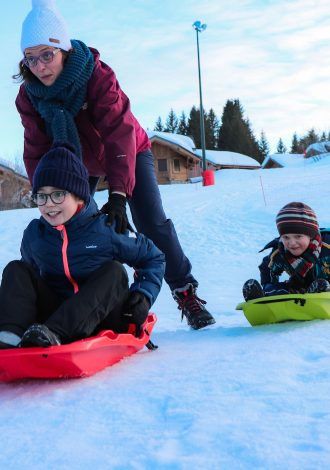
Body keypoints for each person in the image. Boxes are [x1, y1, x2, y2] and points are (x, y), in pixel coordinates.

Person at [13, 0, 215, 330]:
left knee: (150, 222)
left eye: (46, 55)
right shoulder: (29, 97)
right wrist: (45, 194)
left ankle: (185, 291)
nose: (39, 66)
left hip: (128, 151)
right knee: (77, 229)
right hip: (75, 165)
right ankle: (81, 304)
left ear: (63, 49)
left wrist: (119, 195)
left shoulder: (96, 75)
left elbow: (118, 132)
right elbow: (36, 150)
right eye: (30, 58)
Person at [0, 143, 165, 349]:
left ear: (78, 196)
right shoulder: (36, 234)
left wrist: (143, 295)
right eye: (41, 196)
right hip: (53, 319)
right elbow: (27, 287)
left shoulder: (106, 228)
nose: (48, 204)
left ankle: (54, 335)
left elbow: (153, 258)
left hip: (104, 317)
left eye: (58, 194)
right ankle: (9, 338)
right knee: (17, 269)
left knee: (115, 272)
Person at [242, 202, 330, 302]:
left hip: (326, 290)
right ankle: (262, 298)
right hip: (298, 289)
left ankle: (320, 293)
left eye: (298, 236)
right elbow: (267, 268)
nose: (292, 243)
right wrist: (268, 287)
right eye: (286, 237)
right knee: (279, 289)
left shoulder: (327, 246)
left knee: (323, 285)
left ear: (311, 235)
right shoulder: (280, 252)